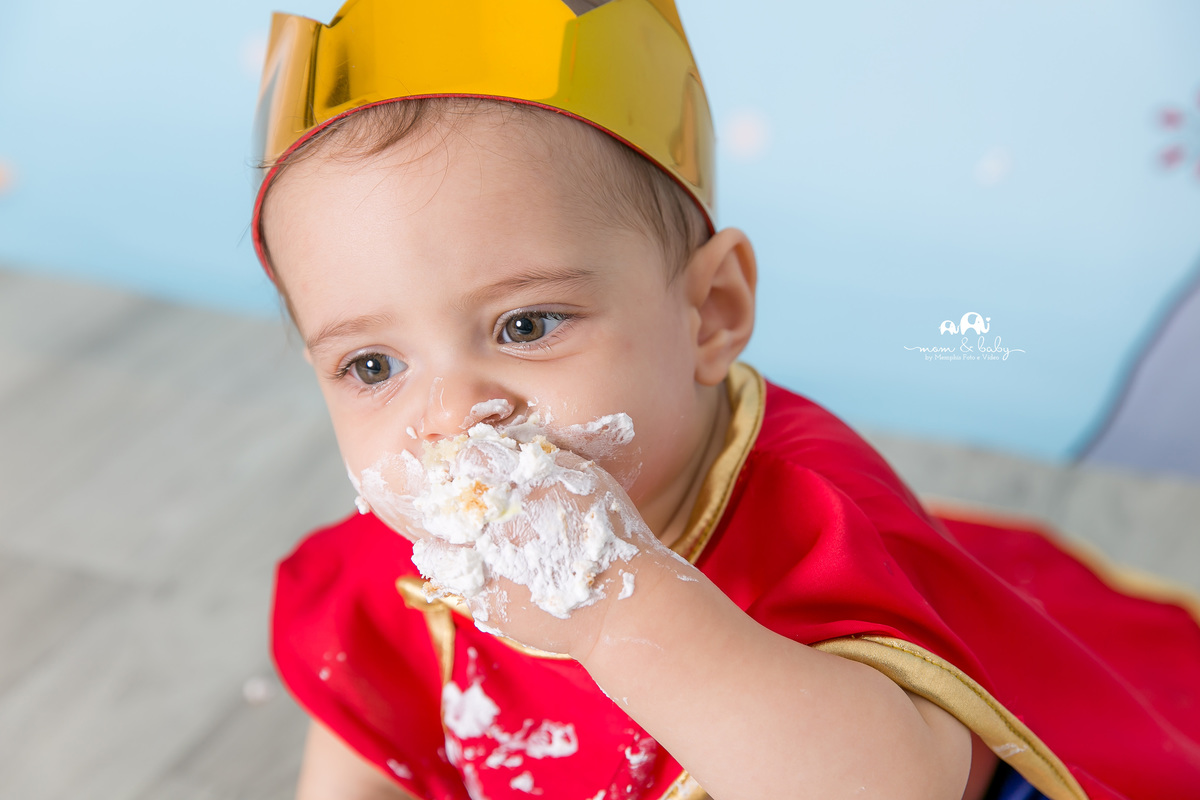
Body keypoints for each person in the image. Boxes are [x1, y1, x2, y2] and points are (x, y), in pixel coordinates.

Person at [249, 1, 1200, 798]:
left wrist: (620, 608)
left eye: (527, 326)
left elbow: (896, 787)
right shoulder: (412, 564)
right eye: (373, 367)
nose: (452, 417)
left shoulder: (812, 519)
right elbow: (371, 722)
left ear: (710, 313)